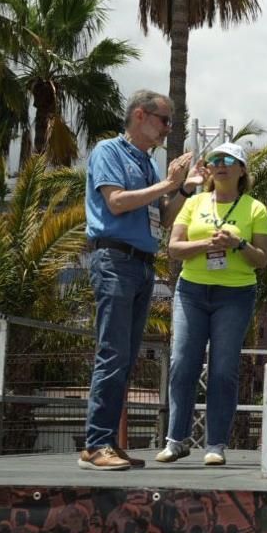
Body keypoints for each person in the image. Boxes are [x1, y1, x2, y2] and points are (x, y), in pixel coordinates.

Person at [82, 89, 197, 470]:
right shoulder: (108, 152)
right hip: (114, 258)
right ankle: (97, 443)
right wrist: (167, 184)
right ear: (140, 116)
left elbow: (163, 218)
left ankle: (105, 443)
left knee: (127, 358)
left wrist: (182, 187)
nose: (168, 129)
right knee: (112, 353)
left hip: (142, 264)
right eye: (164, 120)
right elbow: (115, 202)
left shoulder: (146, 164)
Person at [159, 141, 267, 467]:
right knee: (182, 363)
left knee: (223, 370)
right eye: (215, 159)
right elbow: (174, 248)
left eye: (229, 160)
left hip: (235, 295)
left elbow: (262, 260)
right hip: (191, 291)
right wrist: (205, 244)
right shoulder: (193, 203)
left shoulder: (255, 209)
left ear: (241, 169)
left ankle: (216, 444)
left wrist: (238, 243)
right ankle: (175, 441)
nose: (220, 164)